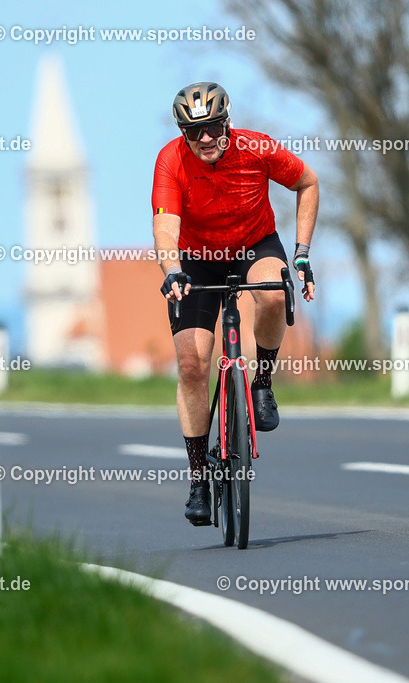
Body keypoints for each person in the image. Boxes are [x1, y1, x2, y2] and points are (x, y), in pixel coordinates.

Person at [152, 81, 318, 526]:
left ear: (227, 122)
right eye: (193, 132)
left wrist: (300, 252)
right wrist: (172, 270)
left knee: (271, 292)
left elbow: (307, 181)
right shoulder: (171, 160)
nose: (204, 138)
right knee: (191, 364)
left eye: (211, 127)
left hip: (253, 244)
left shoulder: (256, 149)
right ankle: (199, 480)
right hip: (197, 259)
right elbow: (165, 226)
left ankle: (262, 382)